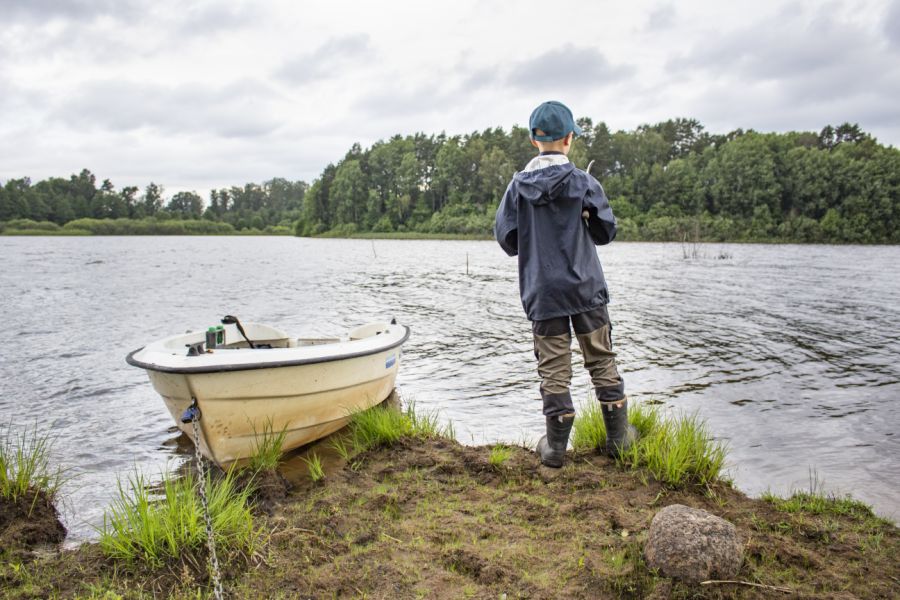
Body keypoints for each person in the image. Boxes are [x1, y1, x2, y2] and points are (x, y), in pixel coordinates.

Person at [493, 100, 636, 468]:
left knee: (553, 369)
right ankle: (619, 439)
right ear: (569, 139)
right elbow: (606, 232)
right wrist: (585, 218)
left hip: (544, 293)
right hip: (586, 289)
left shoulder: (517, 188)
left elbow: (507, 241)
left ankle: (555, 450)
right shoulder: (584, 183)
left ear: (533, 142)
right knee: (601, 359)